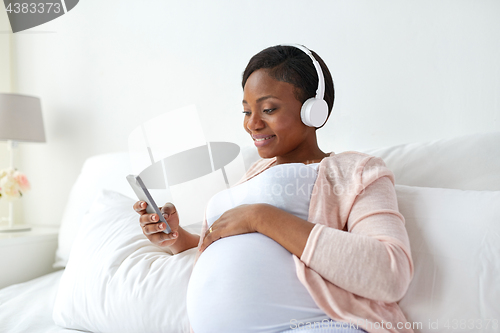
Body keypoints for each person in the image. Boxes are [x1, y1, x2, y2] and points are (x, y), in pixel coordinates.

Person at [133, 44, 414, 333]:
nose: (252, 124)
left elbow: (390, 274)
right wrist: (176, 238)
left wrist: (262, 217)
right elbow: (227, 244)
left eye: (268, 109)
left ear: (313, 112)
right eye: (246, 111)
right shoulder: (252, 175)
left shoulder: (355, 170)